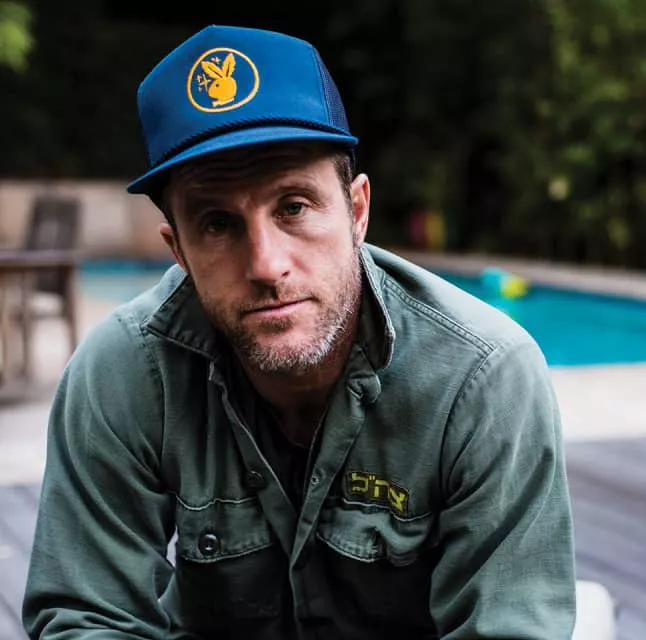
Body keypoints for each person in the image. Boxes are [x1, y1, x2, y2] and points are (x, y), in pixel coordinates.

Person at [21, 24, 576, 640]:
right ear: (178, 250)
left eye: (294, 207)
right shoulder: (123, 372)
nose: (266, 265)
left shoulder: (481, 377)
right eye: (217, 224)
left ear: (357, 211)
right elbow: (88, 618)